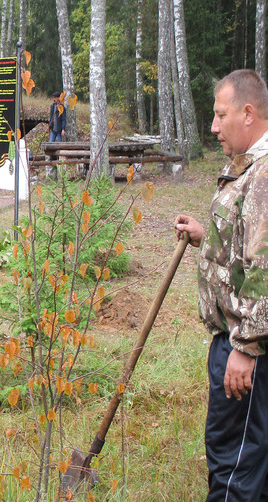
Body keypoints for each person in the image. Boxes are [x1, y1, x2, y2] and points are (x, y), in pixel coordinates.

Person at [174, 69, 268, 501]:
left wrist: (246, 347)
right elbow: (246, 246)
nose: (213, 127)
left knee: (235, 465)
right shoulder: (248, 169)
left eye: (219, 115)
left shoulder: (264, 176)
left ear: (247, 113)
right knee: (245, 460)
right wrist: (205, 235)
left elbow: (265, 268)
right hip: (238, 344)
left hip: (246, 353)